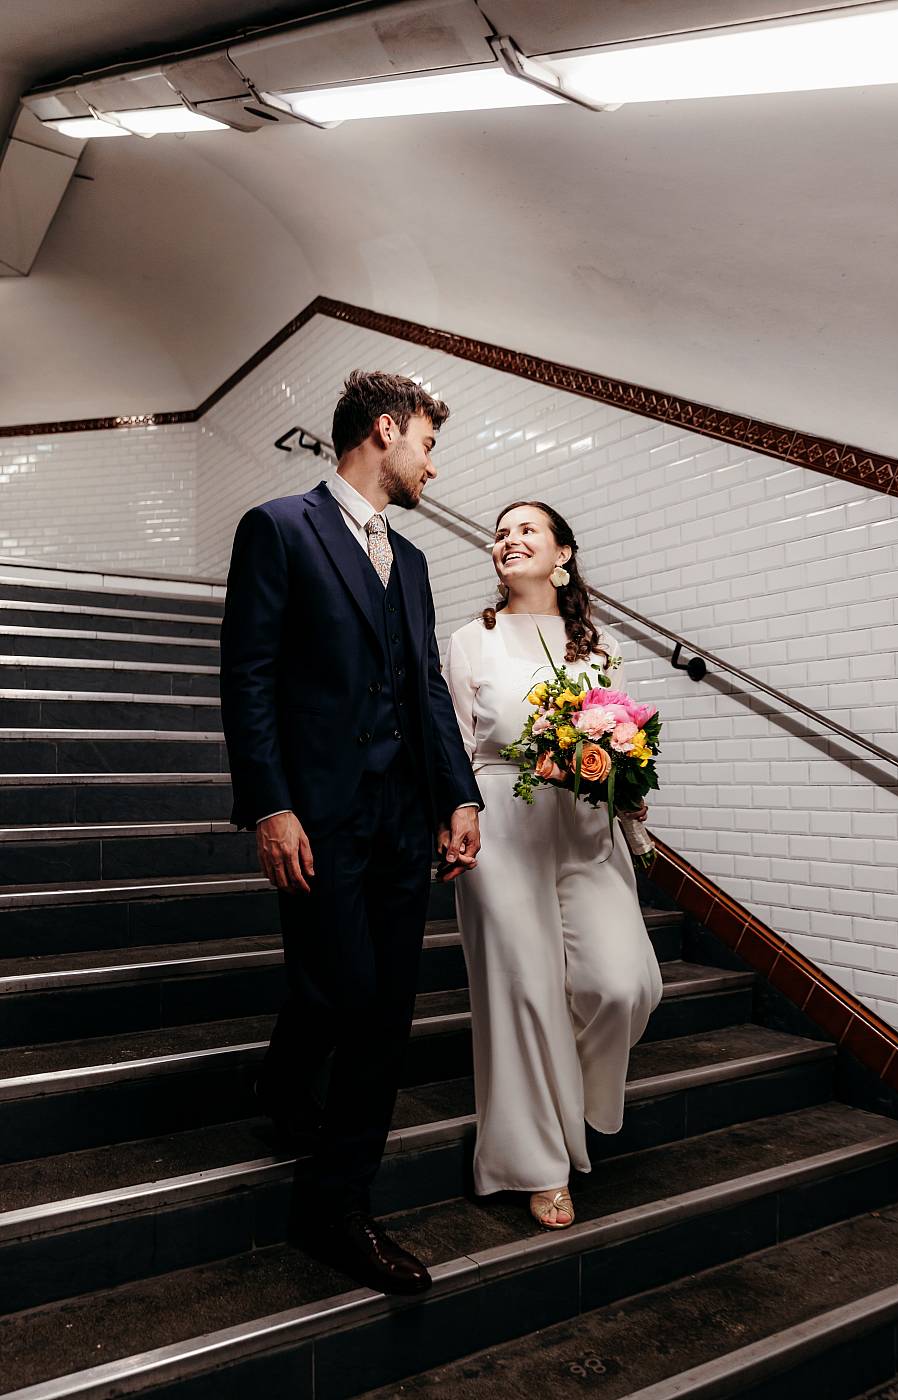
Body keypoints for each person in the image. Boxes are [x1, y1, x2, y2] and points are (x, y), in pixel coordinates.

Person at [220, 370, 482, 1295]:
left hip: (403, 820)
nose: (432, 467)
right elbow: (248, 676)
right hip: (320, 814)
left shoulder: (409, 565)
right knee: (347, 993)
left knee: (382, 1005)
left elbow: (427, 690)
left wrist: (459, 796)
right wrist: (272, 804)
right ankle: (327, 1196)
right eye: (428, 444)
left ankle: (320, 1162)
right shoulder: (279, 528)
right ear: (385, 430)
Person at [443, 500, 663, 1229]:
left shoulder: (598, 647)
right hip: (501, 819)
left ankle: (564, 1083)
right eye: (501, 534)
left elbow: (621, 734)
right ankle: (535, 1164)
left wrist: (627, 784)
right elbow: (453, 744)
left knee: (624, 982)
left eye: (526, 530)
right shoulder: (468, 641)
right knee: (525, 996)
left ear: (562, 554)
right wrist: (454, 816)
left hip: (587, 824)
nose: (509, 540)